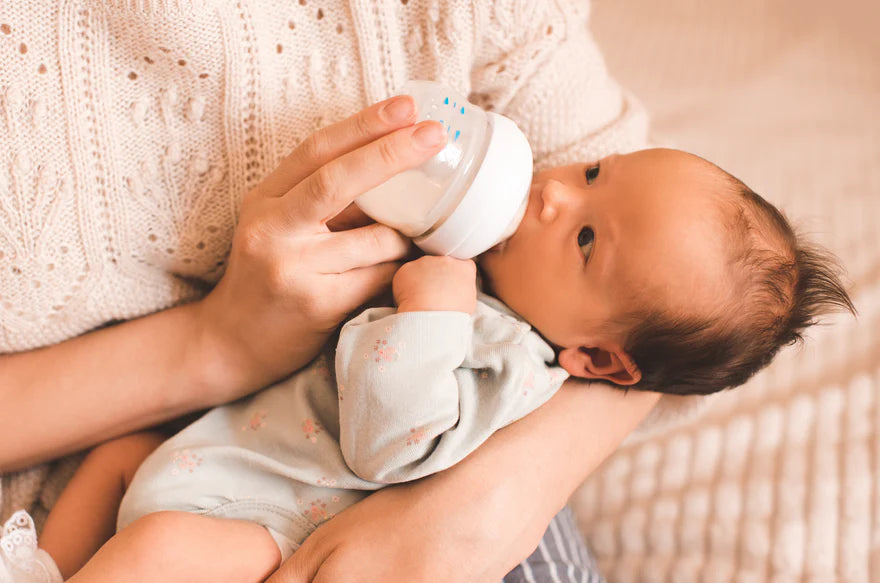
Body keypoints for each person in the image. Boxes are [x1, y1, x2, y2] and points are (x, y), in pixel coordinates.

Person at [0, 1, 849, 582]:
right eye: (592, 176)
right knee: (116, 464)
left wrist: (440, 328)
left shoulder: (506, 358)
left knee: (160, 550)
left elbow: (386, 443)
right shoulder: (498, 287)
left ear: (595, 357)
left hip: (276, 522)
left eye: (586, 237)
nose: (556, 191)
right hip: (201, 448)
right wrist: (214, 345)